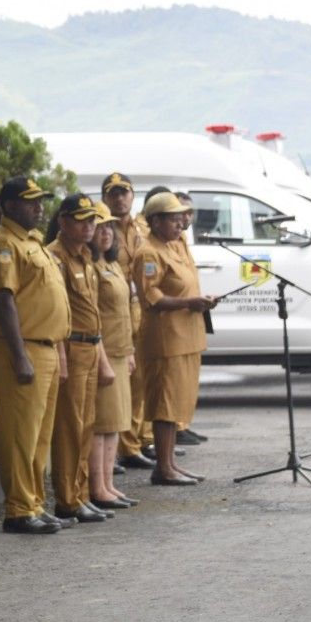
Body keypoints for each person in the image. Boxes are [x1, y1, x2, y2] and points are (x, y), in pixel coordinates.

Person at [0, 176, 72, 534]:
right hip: (23, 348)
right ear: (9, 206)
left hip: (46, 347)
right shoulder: (4, 244)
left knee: (39, 436)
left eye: (40, 201)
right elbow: (5, 300)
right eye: (30, 201)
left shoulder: (32, 242)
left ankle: (34, 502)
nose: (38, 207)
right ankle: (19, 509)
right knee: (21, 434)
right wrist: (20, 356)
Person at [134, 192, 216, 485]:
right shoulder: (148, 253)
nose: (181, 222)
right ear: (155, 221)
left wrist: (200, 300)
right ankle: (163, 468)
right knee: (165, 404)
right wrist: (187, 303)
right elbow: (151, 296)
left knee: (178, 401)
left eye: (182, 216)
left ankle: (169, 464)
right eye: (173, 217)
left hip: (187, 335)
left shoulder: (178, 244)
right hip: (166, 339)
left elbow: (185, 284)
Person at [45, 193, 114, 523]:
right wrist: (60, 354)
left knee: (86, 424)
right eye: (81, 220)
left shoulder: (85, 256)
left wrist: (101, 355)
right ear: (63, 222)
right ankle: (67, 498)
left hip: (89, 347)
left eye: (92, 220)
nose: (89, 226)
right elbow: (56, 312)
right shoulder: (55, 257)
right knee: (69, 427)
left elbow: (92, 310)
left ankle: (82, 493)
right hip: (70, 347)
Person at [101, 172, 155, 471]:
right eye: (113, 193)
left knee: (141, 380)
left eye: (124, 192)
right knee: (122, 380)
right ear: (105, 198)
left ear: (133, 195)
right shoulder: (104, 230)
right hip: (116, 309)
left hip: (141, 307)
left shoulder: (142, 227)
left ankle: (138, 440)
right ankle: (126, 445)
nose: (119, 198)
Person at [88, 202, 138, 509]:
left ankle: (108, 483)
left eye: (109, 227)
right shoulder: (91, 267)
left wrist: (130, 351)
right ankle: (98, 487)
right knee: (102, 423)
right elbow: (92, 317)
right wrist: (104, 357)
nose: (105, 233)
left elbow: (124, 311)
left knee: (116, 422)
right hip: (103, 352)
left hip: (121, 352)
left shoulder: (113, 264)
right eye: (99, 227)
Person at [172, 190, 209, 446]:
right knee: (174, 381)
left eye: (189, 212)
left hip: (191, 317)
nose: (186, 217)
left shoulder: (182, 238)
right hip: (175, 319)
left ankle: (183, 423)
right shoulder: (165, 242)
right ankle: (174, 427)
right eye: (181, 212)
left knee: (188, 378)